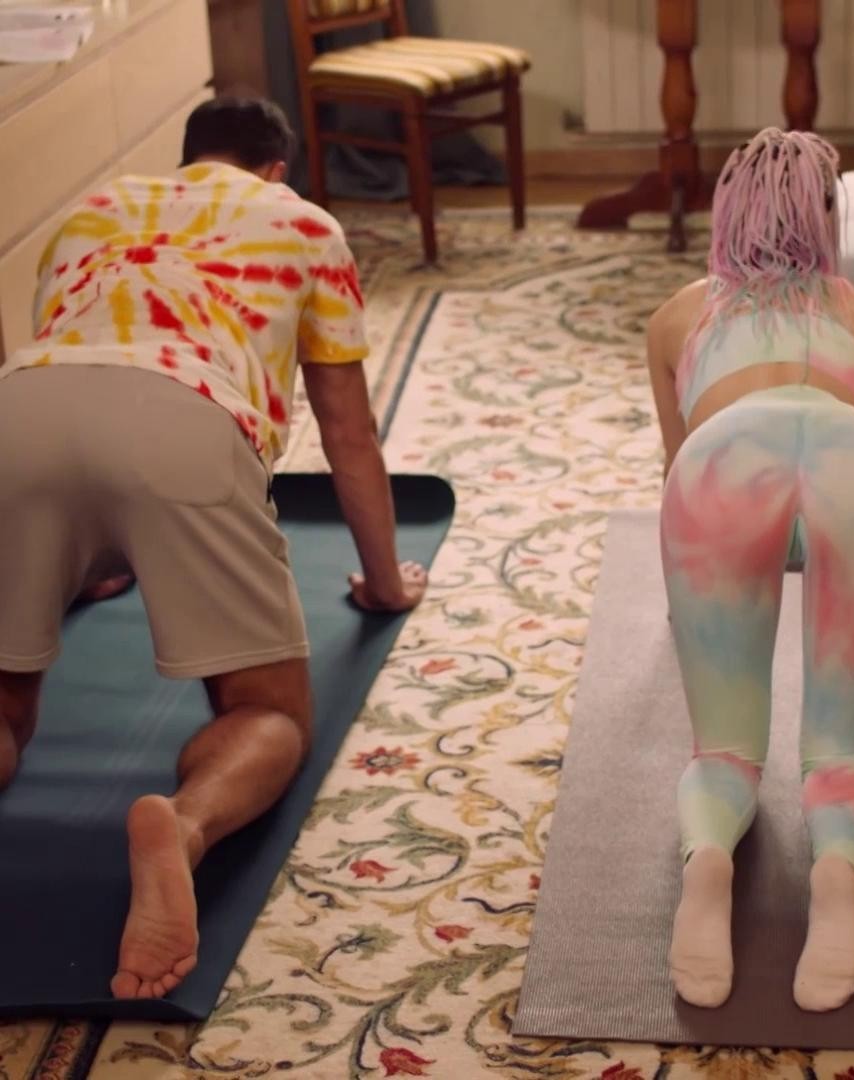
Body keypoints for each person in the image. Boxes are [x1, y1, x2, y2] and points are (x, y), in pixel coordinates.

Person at [0, 96, 428, 1000]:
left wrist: (93, 553)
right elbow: (348, 434)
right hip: (186, 424)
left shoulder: (95, 208)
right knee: (266, 713)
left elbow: (84, 377)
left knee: (5, 696)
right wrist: (386, 585)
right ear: (276, 169)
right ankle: (183, 824)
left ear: (186, 159)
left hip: (18, 414)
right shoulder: (304, 223)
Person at [647, 128, 854, 1012]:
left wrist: (697, 605)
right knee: (840, 750)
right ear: (828, 218)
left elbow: (677, 470)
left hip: (722, 471)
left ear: (726, 215)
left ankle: (710, 867)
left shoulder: (679, 315)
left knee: (724, 746)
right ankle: (836, 884)